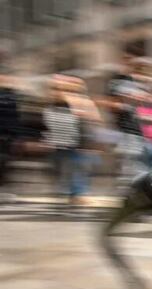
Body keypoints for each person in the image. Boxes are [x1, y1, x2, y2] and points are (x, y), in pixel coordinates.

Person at [43, 75, 93, 205]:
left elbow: (86, 118)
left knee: (76, 167)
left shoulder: (77, 101)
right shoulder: (54, 102)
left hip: (73, 141)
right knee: (61, 168)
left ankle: (77, 193)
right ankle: (70, 191)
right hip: (59, 141)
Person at [0, 69, 20, 200]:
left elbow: (14, 119)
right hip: (6, 136)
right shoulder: (11, 98)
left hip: (6, 136)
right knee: (3, 163)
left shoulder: (11, 97)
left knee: (4, 162)